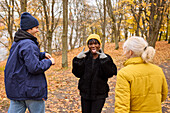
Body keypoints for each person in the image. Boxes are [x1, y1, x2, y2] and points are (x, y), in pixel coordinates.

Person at [4, 12, 55, 113]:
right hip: (31, 91)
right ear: (29, 28)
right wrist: (49, 62)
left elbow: (23, 58)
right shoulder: (29, 44)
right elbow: (34, 67)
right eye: (36, 27)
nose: (37, 30)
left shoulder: (18, 42)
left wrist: (42, 54)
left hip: (16, 90)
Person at [115, 36, 168, 113]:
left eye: (125, 50)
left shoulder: (124, 73)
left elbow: (122, 106)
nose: (124, 53)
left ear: (130, 52)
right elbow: (163, 95)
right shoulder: (158, 71)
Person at [72, 34, 117, 113]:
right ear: (88, 46)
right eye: (91, 44)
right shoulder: (84, 58)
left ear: (99, 45)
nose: (93, 46)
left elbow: (110, 73)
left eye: (95, 43)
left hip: (99, 94)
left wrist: (104, 61)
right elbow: (77, 74)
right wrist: (78, 60)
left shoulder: (106, 58)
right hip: (85, 94)